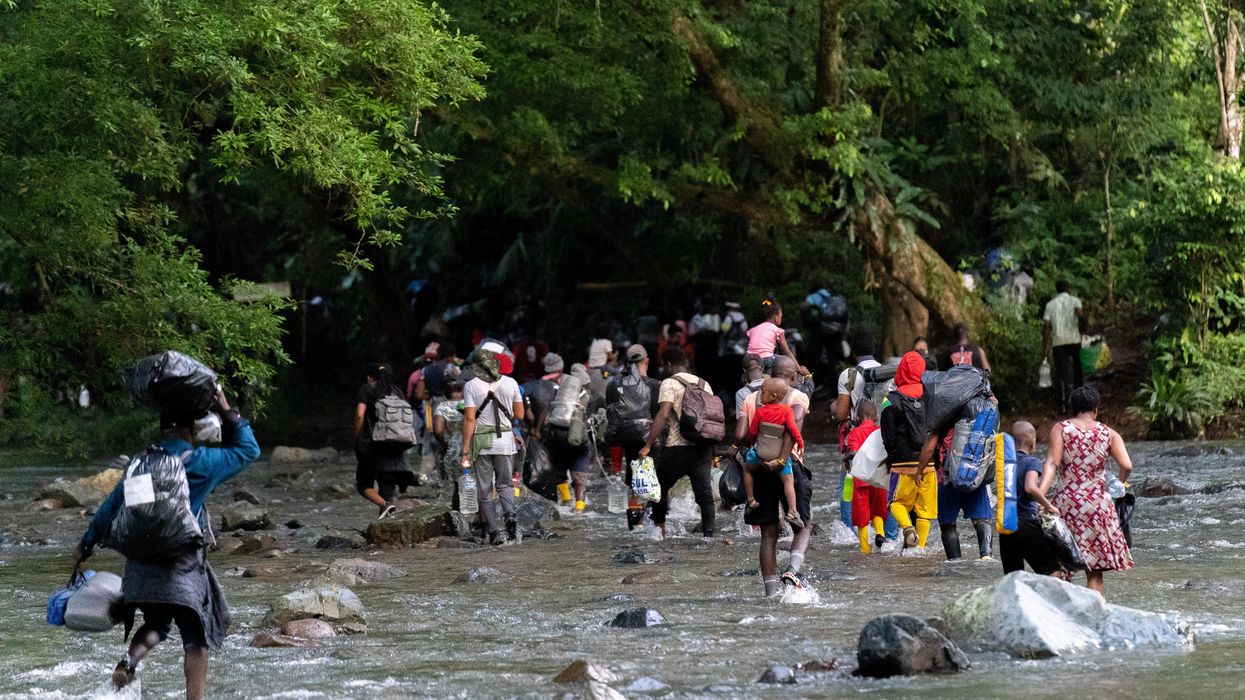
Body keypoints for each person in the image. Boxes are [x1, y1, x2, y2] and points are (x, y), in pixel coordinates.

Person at [72, 392, 260, 698]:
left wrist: (86, 545)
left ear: (162, 429)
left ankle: (128, 661)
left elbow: (110, 508)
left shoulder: (140, 464)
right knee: (195, 638)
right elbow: (248, 450)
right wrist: (225, 408)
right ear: (193, 430)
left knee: (156, 625)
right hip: (181, 565)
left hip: (140, 565)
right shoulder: (200, 462)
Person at [1039, 385, 1134, 594]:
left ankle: (1062, 608)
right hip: (1098, 504)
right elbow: (1127, 465)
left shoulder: (1061, 429)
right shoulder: (1109, 434)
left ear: (1073, 408)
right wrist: (1118, 485)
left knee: (1062, 565)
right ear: (1096, 409)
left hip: (1068, 504)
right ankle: (1093, 611)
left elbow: (1052, 463)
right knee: (1095, 571)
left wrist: (1040, 496)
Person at [734, 355, 814, 593]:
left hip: (759, 467)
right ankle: (793, 569)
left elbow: (740, 435)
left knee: (768, 534)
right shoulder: (798, 396)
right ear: (793, 376)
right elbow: (795, 422)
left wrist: (756, 446)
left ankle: (771, 594)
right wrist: (781, 459)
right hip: (789, 465)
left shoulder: (751, 399)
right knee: (802, 525)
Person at [639, 347, 716, 538]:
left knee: (658, 488)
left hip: (677, 448)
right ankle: (709, 537)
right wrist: (713, 453)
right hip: (702, 448)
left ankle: (660, 532)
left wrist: (648, 445)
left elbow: (663, 415)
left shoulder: (669, 383)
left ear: (668, 364)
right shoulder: (703, 383)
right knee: (705, 495)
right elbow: (711, 420)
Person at [461, 349, 526, 544]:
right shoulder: (511, 383)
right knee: (505, 484)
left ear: (476, 367)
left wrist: (465, 449)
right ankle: (510, 516)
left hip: (482, 443)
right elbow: (520, 415)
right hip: (505, 441)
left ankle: (493, 531)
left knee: (485, 490)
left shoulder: (471, 385)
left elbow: (470, 419)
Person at [881, 351, 939, 549]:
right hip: (928, 462)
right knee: (924, 511)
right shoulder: (930, 397)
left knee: (896, 503)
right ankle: (920, 549)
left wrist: (891, 456)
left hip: (902, 463)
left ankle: (907, 528)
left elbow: (888, 437)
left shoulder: (890, 400)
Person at [833, 331, 887, 532]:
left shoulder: (849, 374)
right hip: (883, 437)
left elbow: (841, 413)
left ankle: (849, 532)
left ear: (855, 354)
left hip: (858, 438)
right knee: (884, 484)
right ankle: (889, 534)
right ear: (874, 350)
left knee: (850, 483)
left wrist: (833, 407)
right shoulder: (887, 372)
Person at [606, 344, 663, 529]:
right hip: (653, 442)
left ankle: (634, 526)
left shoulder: (617, 385)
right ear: (647, 361)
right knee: (657, 484)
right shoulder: (656, 385)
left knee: (635, 484)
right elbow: (662, 416)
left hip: (630, 443)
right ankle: (657, 527)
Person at [999, 421, 1063, 576]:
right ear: (1033, 443)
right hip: (1026, 524)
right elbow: (1030, 487)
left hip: (1006, 527)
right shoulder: (1032, 462)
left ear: (1013, 442)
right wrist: (1048, 506)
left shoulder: (1005, 465)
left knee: (1014, 578)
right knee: (1053, 572)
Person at [354, 362, 417, 519]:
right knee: (387, 487)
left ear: (370, 377)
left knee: (363, 485)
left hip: (372, 444)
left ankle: (385, 505)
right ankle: (387, 521)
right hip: (397, 444)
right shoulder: (397, 391)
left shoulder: (366, 388)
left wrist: (357, 435)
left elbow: (360, 414)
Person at [742, 377, 805, 529]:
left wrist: (754, 444)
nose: (760, 394)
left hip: (760, 455)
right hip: (779, 456)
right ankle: (792, 511)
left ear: (773, 396)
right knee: (788, 481)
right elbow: (793, 430)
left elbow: (752, 432)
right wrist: (801, 444)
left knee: (747, 469)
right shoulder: (787, 411)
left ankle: (751, 500)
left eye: (762, 391)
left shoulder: (760, 412)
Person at [936, 415, 996, 561]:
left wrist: (920, 470)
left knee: (948, 524)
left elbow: (931, 444)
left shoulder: (942, 417)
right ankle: (986, 556)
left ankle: (955, 561)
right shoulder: (979, 413)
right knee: (982, 519)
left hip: (948, 477)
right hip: (976, 474)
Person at [846, 401, 887, 553]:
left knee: (862, 516)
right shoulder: (880, 431)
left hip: (861, 478)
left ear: (858, 417)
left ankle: (865, 550)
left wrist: (845, 458)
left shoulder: (854, 433)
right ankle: (880, 533)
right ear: (875, 417)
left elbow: (854, 452)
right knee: (878, 511)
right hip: (879, 478)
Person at [1043, 279, 1086, 414]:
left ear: (1057, 290)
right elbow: (1081, 315)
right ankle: (1079, 401)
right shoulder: (1075, 301)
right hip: (1074, 339)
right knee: (1078, 370)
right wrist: (1083, 329)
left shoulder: (1050, 305)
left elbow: (1046, 327)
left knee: (1062, 374)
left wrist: (1045, 347)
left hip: (1058, 342)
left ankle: (1063, 405)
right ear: (1068, 289)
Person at [432, 380, 468, 511]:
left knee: (458, 486)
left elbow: (438, 431)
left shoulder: (443, 406)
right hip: (474, 446)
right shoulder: (471, 404)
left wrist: (444, 444)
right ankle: (482, 519)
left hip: (454, 448)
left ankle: (458, 518)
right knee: (479, 484)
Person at [746, 297, 796, 370]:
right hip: (766, 359)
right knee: (785, 361)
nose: (781, 318)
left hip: (748, 359)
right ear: (776, 317)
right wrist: (797, 367)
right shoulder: (777, 330)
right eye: (781, 316)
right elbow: (787, 352)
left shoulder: (753, 330)